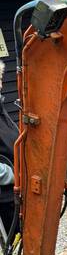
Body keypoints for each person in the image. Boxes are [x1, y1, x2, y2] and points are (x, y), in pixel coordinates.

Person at [0, 60, 16, 234]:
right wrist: (12, 174)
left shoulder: (1, 108)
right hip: (4, 198)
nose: (1, 84)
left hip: (13, 194)